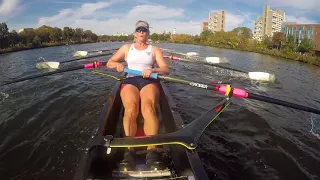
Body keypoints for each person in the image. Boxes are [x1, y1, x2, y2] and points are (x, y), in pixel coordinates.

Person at [106, 20, 169, 171]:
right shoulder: (127, 48)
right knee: (131, 108)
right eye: (139, 30)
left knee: (148, 108)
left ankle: (152, 152)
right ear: (135, 33)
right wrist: (118, 65)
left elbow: (165, 69)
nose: (141, 32)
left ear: (148, 33)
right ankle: (129, 152)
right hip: (130, 80)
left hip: (148, 80)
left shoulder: (155, 49)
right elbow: (110, 62)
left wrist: (154, 71)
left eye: (144, 30)